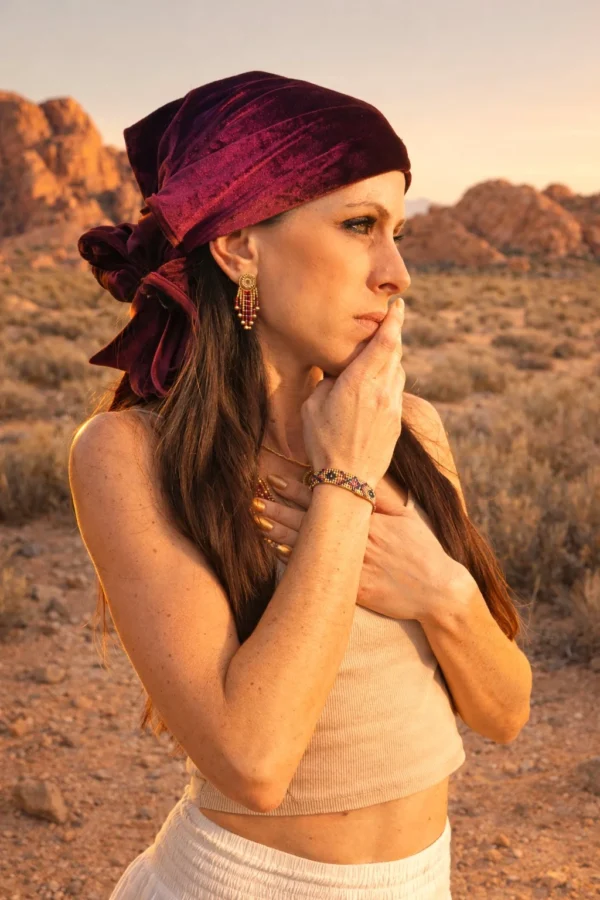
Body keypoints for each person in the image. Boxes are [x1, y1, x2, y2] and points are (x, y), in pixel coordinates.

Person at [69, 70, 530, 899]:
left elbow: (505, 713)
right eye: (359, 225)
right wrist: (345, 480)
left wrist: (442, 592)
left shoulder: (412, 429)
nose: (396, 273)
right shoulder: (126, 455)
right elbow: (253, 763)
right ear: (239, 244)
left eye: (398, 233)